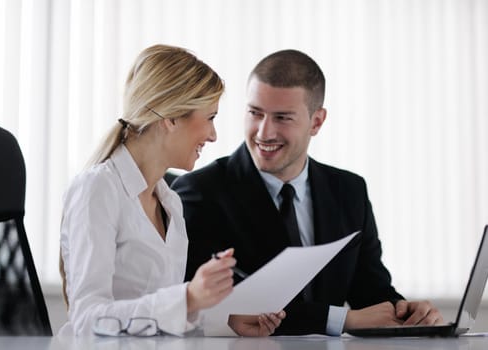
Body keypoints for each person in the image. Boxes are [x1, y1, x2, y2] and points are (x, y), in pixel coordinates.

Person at [172, 49, 444, 335]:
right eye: (255, 113)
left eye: (282, 118)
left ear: (316, 121)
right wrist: (342, 320)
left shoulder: (349, 191)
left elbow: (371, 293)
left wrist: (407, 313)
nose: (264, 132)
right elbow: (216, 306)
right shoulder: (201, 191)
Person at [58, 44, 285, 337]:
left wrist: (227, 320)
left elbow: (160, 317)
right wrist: (188, 297)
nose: (213, 135)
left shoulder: (170, 203)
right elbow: (87, 320)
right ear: (172, 118)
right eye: (210, 118)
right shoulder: (98, 189)